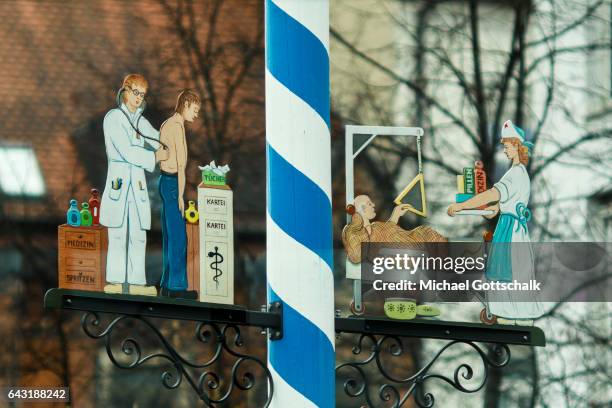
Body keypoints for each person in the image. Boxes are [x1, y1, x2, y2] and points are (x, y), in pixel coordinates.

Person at [447, 119, 544, 324]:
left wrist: (463, 206)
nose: (505, 151)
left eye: (507, 147)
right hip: (510, 228)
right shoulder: (518, 174)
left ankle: (513, 312)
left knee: (510, 271)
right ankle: (511, 312)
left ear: (516, 147)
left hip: (511, 231)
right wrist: (474, 209)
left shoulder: (515, 173)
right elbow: (494, 209)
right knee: (513, 271)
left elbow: (493, 194)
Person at [100, 74, 169, 296]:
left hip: (138, 187)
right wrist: (156, 156)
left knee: (139, 235)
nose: (139, 98)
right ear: (125, 91)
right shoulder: (113, 118)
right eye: (136, 92)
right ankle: (116, 282)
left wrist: (172, 141)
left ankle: (138, 283)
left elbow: (158, 138)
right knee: (118, 234)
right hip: (119, 183)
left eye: (142, 94)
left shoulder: (140, 121)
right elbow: (127, 151)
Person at [157, 89, 201, 299]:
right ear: (186, 105)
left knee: (170, 235)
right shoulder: (175, 127)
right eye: (194, 109)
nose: (196, 114)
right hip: (173, 182)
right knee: (178, 237)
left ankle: (167, 284)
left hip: (166, 181)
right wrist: (181, 196)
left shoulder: (169, 124)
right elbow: (180, 165)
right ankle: (176, 287)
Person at [342, 194, 447, 264]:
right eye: (369, 204)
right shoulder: (354, 231)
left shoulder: (376, 226)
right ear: (362, 209)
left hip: (409, 243)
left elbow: (387, 231)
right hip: (399, 258)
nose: (373, 205)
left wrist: (396, 214)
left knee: (428, 235)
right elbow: (357, 255)